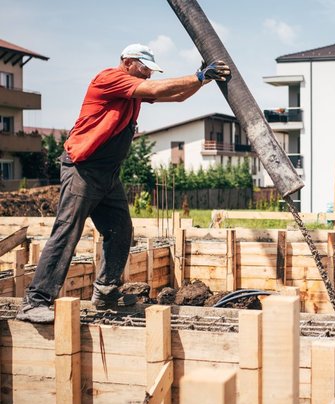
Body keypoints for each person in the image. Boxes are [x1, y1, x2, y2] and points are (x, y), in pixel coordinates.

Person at [16, 44, 230, 323]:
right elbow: (157, 90)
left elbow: (176, 97)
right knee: (67, 231)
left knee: (121, 231)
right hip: (82, 169)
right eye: (144, 69)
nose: (148, 76)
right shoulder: (109, 79)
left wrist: (204, 79)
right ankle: (36, 301)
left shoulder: (133, 91)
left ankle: (105, 290)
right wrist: (199, 76)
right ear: (128, 62)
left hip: (108, 174)